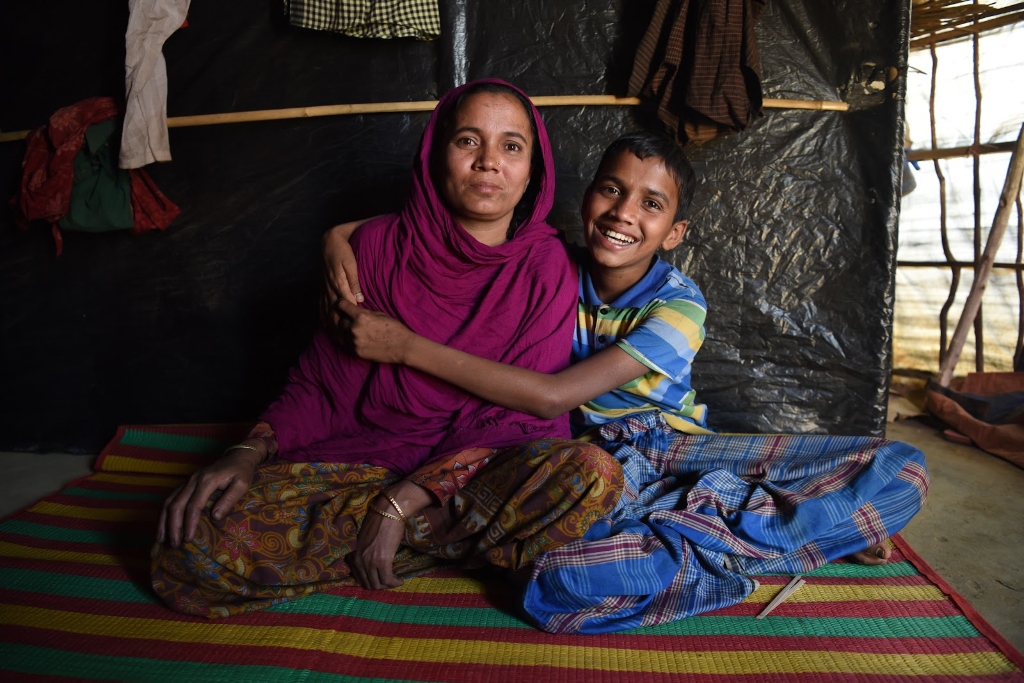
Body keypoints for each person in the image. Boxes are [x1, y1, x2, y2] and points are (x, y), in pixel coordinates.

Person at [327, 131, 930, 633]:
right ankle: (777, 536)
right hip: (585, 463)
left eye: (650, 203)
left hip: (679, 449)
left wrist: (404, 347)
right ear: (586, 199)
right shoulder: (546, 265)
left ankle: (709, 533)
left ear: (674, 232)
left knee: (905, 468)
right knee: (557, 581)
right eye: (612, 190)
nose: (623, 213)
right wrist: (338, 235)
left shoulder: (679, 307)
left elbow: (554, 394)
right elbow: (443, 228)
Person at [150, 79, 624, 619]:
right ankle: (452, 546)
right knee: (189, 540)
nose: (489, 162)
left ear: (533, 171)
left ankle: (394, 528)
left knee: (592, 474)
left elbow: (519, 419)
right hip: (367, 463)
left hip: (476, 472)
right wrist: (247, 452)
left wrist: (406, 498)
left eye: (511, 146)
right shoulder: (373, 248)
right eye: (468, 140)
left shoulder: (546, 266)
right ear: (434, 153)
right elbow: (322, 385)